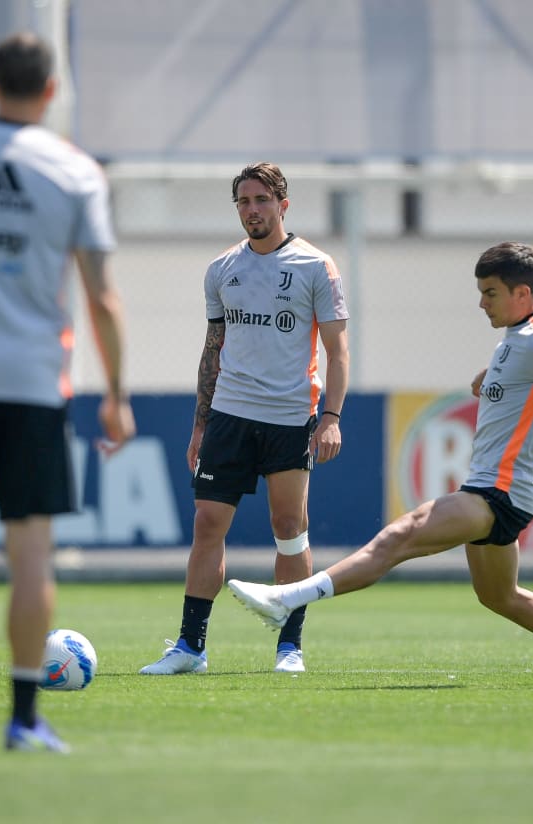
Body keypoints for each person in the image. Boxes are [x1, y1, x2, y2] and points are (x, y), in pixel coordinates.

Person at [228, 241, 533, 684]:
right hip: (505, 491)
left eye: (490, 293)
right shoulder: (522, 336)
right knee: (498, 596)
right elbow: (530, 375)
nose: (482, 304)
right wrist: (493, 377)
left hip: (498, 491)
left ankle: (286, 598)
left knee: (397, 538)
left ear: (521, 293)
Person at [0, 32, 136, 752]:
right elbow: (103, 298)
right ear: (50, 91)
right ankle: (23, 719)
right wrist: (117, 394)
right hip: (34, 386)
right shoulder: (74, 173)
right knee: (31, 554)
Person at [140, 162, 349, 676]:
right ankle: (190, 647)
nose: (251, 210)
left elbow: (337, 352)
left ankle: (289, 647)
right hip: (229, 414)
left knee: (288, 527)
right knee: (208, 525)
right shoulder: (221, 270)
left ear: (283, 205)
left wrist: (331, 417)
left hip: (289, 418)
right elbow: (213, 350)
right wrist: (199, 425)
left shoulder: (316, 267)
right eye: (243, 201)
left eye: (261, 200)